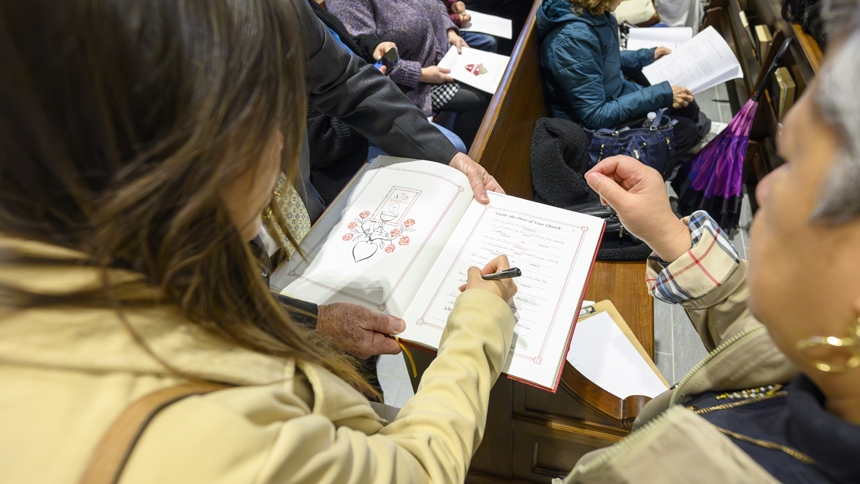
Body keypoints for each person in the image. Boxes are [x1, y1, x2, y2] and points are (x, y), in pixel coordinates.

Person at [0, 1, 520, 483]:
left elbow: (345, 80)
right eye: (266, 116)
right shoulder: (221, 421)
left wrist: (444, 154)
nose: (283, 144)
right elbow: (412, 469)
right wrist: (478, 326)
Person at [559, 1, 860, 480]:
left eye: (797, 167)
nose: (763, 188)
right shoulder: (829, 368)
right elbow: (758, 344)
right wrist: (671, 233)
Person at [536, 0, 709, 177]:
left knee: (688, 108)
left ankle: (673, 161)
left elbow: (602, 57)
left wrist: (646, 56)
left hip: (613, 95)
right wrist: (661, 94)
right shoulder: (571, 38)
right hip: (594, 131)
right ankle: (653, 177)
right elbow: (595, 115)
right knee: (686, 131)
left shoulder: (589, 12)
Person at [327, 0, 493, 150]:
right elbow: (371, 61)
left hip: (442, 56)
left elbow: (437, 4)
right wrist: (419, 73)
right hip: (410, 85)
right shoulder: (345, 3)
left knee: (489, 70)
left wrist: (450, 31)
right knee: (476, 99)